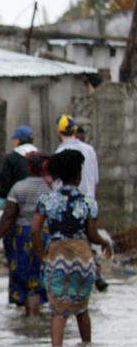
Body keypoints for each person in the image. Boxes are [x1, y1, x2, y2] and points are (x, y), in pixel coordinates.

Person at [30, 149, 113, 347]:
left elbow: (35, 231)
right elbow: (92, 235)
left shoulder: (47, 200)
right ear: (78, 175)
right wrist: (105, 243)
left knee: (59, 311)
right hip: (82, 257)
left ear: (57, 175)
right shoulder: (88, 202)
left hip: (57, 256)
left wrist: (43, 256)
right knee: (82, 309)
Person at [0, 151, 51, 316]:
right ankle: (36, 317)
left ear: (28, 167)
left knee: (22, 275)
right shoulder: (50, 189)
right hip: (44, 235)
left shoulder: (18, 187)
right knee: (39, 275)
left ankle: (27, 318)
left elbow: (9, 216)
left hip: (22, 235)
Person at [56, 117, 107, 292]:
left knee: (69, 239)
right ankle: (97, 273)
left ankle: (70, 277)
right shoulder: (89, 150)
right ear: (75, 130)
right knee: (91, 237)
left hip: (68, 203)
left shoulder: (60, 151)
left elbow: (57, 184)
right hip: (89, 202)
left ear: (59, 131)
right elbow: (96, 179)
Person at [0, 126, 39, 212]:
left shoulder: (11, 158)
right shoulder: (40, 156)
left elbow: (6, 183)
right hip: (38, 202)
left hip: (17, 202)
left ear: (18, 140)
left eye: (14, 139)